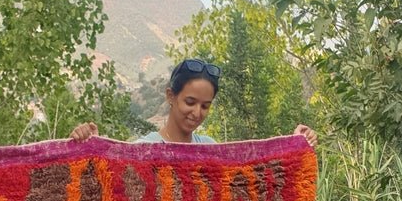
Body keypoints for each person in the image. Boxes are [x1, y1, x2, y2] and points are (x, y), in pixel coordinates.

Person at [69, 57, 317, 148]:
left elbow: (254, 184)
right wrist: (90, 147)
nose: (197, 113)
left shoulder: (210, 149)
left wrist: (296, 144)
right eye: (190, 102)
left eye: (205, 105)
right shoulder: (144, 149)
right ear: (170, 96)